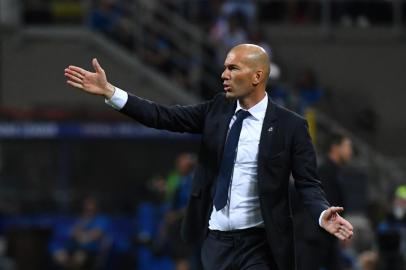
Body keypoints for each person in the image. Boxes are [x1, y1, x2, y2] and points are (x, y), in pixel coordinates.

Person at [64, 43, 353, 270]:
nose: (223, 75)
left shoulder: (291, 126)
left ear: (257, 76)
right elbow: (163, 116)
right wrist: (110, 92)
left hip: (261, 244)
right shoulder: (217, 109)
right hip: (215, 241)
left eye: (233, 68)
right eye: (224, 68)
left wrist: (320, 213)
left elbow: (308, 183)